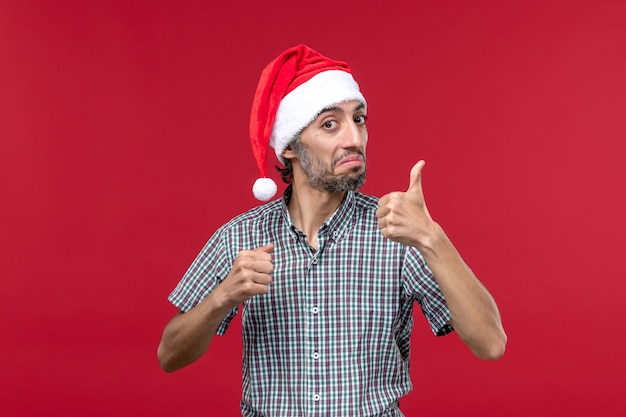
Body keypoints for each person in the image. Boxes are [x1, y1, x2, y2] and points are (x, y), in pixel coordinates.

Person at [157, 44, 507, 417]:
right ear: (290, 146)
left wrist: (431, 237)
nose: (354, 139)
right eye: (330, 124)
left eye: (359, 119)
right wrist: (220, 299)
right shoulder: (239, 238)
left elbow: (491, 344)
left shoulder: (399, 232)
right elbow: (169, 355)